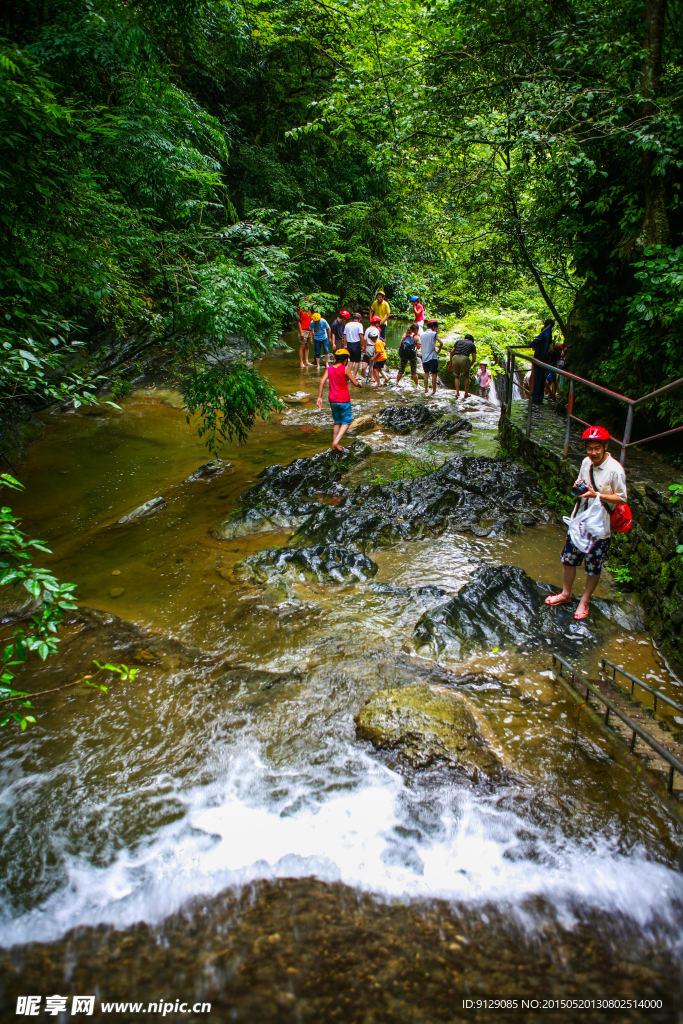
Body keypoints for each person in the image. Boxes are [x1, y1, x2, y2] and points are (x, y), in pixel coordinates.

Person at [545, 426, 627, 620]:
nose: (593, 452)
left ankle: (585, 601)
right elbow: (582, 480)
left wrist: (596, 494)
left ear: (605, 447)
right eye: (589, 448)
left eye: (597, 448)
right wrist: (578, 485)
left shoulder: (615, 470)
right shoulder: (585, 462)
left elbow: (622, 499)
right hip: (579, 522)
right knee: (568, 559)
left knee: (593, 566)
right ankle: (566, 594)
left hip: (600, 528)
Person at [316, 348, 363, 451]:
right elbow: (355, 383)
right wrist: (360, 384)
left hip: (332, 400)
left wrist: (319, 397)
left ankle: (334, 446)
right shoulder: (345, 369)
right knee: (347, 421)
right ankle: (336, 442)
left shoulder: (329, 369)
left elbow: (322, 382)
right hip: (344, 400)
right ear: (345, 360)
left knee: (337, 421)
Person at [530, 317, 554, 405]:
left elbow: (536, 342)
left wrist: (530, 343)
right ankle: (539, 397)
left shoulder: (544, 333)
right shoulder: (549, 333)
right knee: (541, 379)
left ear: (545, 324)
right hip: (544, 359)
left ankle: (536, 398)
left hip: (539, 359)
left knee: (537, 378)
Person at [447, 333, 477, 398]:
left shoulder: (458, 341)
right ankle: (466, 393)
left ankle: (457, 393)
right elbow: (474, 358)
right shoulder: (472, 344)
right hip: (464, 358)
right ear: (471, 340)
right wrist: (469, 365)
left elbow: (452, 352)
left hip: (455, 357)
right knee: (466, 377)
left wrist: (451, 363)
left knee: (457, 376)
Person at [420, 318, 443, 395]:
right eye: (436, 327)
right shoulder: (434, 334)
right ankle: (434, 390)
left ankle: (426, 389)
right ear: (433, 327)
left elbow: (419, 345)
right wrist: (438, 351)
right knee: (434, 373)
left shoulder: (422, 335)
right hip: (432, 357)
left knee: (426, 373)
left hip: (424, 357)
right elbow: (441, 343)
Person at [363, 315, 381, 384]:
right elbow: (377, 341)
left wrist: (365, 347)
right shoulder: (376, 330)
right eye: (378, 323)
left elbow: (365, 340)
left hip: (368, 347)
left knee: (371, 363)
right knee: (373, 363)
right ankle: (373, 377)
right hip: (374, 347)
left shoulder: (367, 329)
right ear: (376, 323)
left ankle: (372, 377)